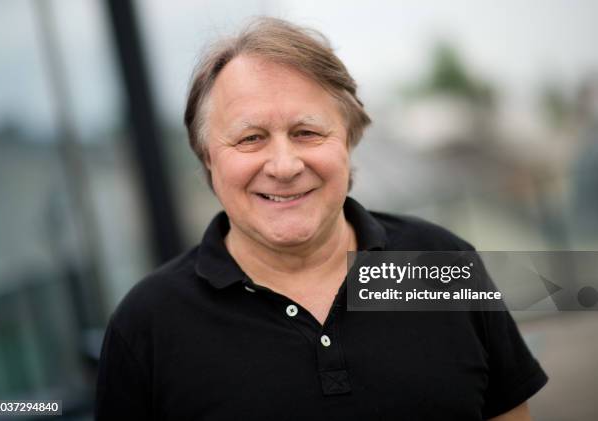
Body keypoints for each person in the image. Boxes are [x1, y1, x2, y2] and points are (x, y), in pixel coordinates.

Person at [95, 17, 547, 420]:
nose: (285, 165)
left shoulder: (441, 263)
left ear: (348, 141)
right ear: (208, 157)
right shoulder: (146, 326)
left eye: (307, 132)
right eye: (251, 138)